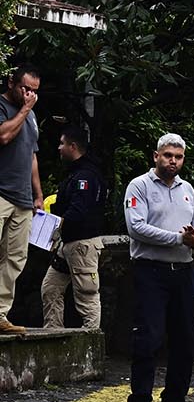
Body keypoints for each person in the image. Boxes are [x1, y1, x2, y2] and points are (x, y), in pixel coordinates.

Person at [123, 133, 194, 402]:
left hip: (184, 271)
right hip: (151, 270)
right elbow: (136, 227)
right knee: (148, 339)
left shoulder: (188, 189)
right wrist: (178, 239)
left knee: (186, 338)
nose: (173, 161)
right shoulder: (140, 186)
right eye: (168, 155)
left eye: (178, 156)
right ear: (156, 156)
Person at [41, 125, 107, 330]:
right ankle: (53, 335)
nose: (59, 148)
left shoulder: (86, 176)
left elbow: (79, 211)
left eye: (62, 143)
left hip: (82, 244)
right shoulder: (76, 173)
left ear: (73, 146)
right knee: (50, 288)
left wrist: (53, 226)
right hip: (68, 243)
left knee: (86, 297)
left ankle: (92, 342)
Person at [0, 65, 43, 335]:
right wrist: (25, 110)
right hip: (1, 192)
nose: (30, 95)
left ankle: (0, 314)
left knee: (15, 258)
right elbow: (3, 135)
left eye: (35, 92)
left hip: (23, 199)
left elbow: (31, 155)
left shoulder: (32, 115)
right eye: (26, 89)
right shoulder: (5, 107)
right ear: (11, 82)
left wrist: (37, 194)